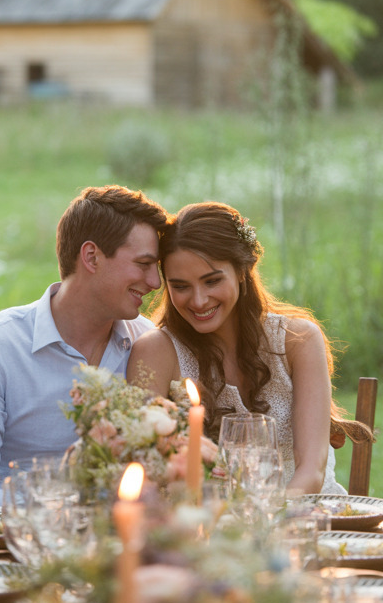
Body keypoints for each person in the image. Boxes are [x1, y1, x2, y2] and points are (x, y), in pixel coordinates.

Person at [0, 185, 169, 507]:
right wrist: (48, 524)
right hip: (15, 545)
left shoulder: (151, 346)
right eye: (143, 264)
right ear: (91, 257)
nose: (155, 282)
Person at [128, 202, 344, 495]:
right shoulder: (156, 351)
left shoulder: (298, 341)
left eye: (212, 281)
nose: (199, 300)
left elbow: (312, 469)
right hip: (208, 532)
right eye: (181, 286)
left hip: (305, 518)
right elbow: (148, 469)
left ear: (243, 270)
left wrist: (271, 525)